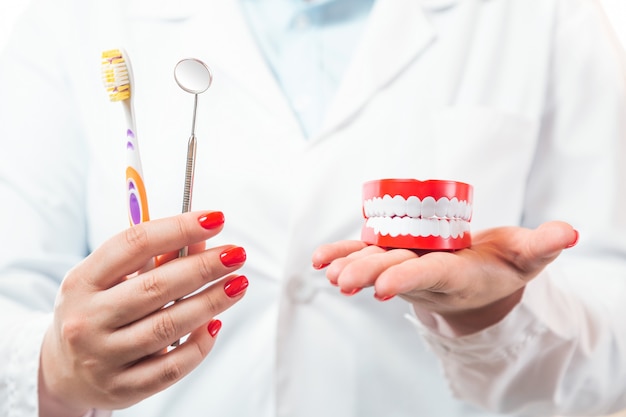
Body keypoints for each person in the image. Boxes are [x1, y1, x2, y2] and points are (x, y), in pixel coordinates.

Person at [1, 0, 626, 416]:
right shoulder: (68, 17)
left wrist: (497, 314)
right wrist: (54, 371)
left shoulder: (546, 16)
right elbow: (10, 293)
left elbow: (612, 330)